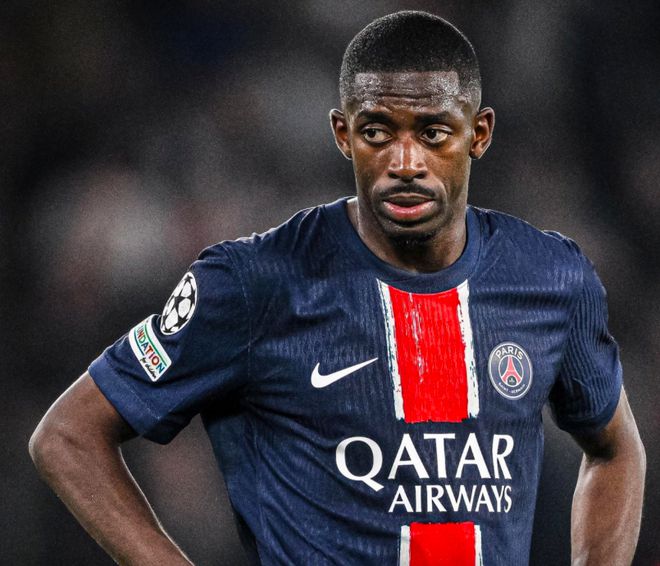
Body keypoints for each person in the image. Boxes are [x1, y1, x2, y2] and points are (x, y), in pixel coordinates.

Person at [29, 11, 645, 566]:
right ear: (343, 134)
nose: (405, 162)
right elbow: (68, 435)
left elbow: (616, 451)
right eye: (378, 132)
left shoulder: (551, 277)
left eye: (434, 132)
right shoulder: (254, 283)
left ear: (478, 134)